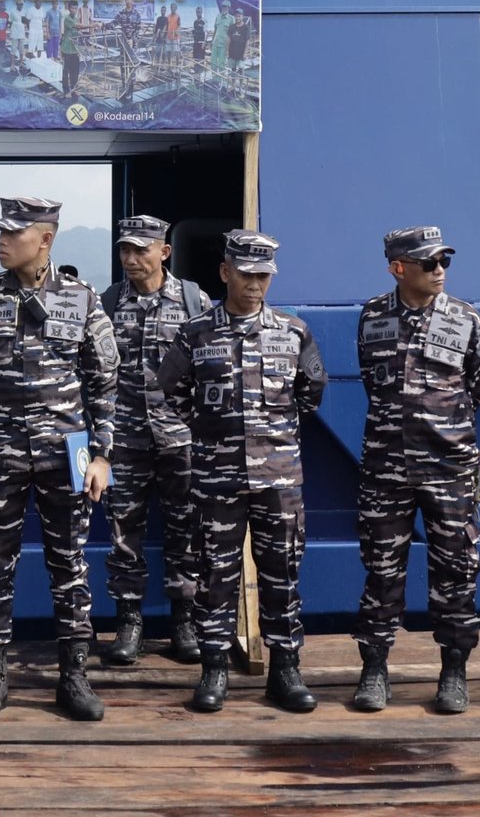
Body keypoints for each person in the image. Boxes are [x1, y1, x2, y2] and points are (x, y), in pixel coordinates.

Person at [0, 196, 119, 722]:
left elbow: (103, 380)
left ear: (44, 240)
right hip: (0, 453)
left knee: (69, 566)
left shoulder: (82, 298)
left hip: (65, 453)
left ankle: (73, 677)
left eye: (14, 233)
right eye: (0, 231)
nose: (2, 241)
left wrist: (103, 455)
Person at [158, 230, 327, 713]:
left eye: (264, 276)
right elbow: (170, 391)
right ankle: (213, 670)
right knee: (215, 574)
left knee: (283, 573)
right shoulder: (195, 334)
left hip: (278, 478)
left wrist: (274, 436)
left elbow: (309, 393)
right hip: (217, 478)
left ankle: (285, 670)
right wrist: (211, 434)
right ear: (225, 272)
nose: (255, 285)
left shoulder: (293, 332)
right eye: (247, 274)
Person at [350, 227, 480, 714]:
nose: (439, 271)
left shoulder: (467, 318)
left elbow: (477, 384)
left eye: (443, 262)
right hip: (386, 466)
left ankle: (453, 671)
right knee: (381, 571)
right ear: (398, 268)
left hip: (449, 466)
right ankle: (374, 670)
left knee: (456, 570)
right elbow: (373, 381)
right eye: (428, 263)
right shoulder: (371, 317)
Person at [99, 215, 211, 667]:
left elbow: (207, 366)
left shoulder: (191, 300)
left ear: (164, 252)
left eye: (141, 250)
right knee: (123, 531)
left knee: (185, 528)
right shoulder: (108, 302)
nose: (131, 259)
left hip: (179, 437)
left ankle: (183, 619)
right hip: (125, 437)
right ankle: (129, 622)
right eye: (125, 250)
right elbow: (96, 372)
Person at [113, 0, 142, 94]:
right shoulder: (121, 14)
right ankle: (124, 85)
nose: (129, 1)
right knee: (123, 64)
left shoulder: (137, 14)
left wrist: (133, 39)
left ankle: (130, 88)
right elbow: (114, 23)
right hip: (123, 44)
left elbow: (138, 29)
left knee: (132, 65)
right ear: (125, 1)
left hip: (132, 45)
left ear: (133, 1)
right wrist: (103, 25)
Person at [61, 0, 82, 97]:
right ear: (69, 9)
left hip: (75, 49)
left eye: (75, 8)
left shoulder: (77, 18)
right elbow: (77, 26)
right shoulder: (67, 19)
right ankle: (66, 91)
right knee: (66, 71)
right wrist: (92, 25)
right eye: (72, 8)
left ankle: (74, 89)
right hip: (67, 48)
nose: (74, 10)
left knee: (75, 71)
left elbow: (77, 30)